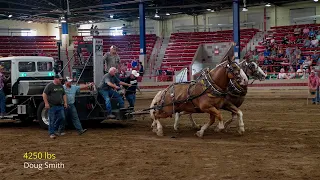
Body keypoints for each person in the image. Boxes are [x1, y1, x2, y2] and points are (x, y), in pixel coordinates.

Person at [42, 74, 67, 139]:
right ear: (55, 79)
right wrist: (46, 103)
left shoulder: (61, 86)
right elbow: (44, 94)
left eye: (61, 79)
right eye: (59, 79)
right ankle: (52, 133)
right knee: (51, 120)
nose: (61, 80)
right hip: (52, 106)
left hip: (60, 105)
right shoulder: (50, 86)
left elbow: (64, 94)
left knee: (62, 117)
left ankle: (55, 129)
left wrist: (65, 103)